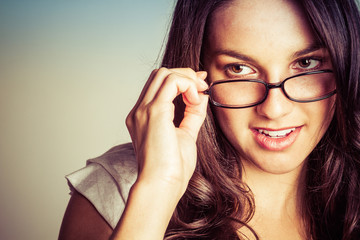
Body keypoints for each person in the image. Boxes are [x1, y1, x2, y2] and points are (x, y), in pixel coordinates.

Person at [58, 0, 360, 239]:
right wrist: (158, 187)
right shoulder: (120, 188)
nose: (275, 109)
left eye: (306, 64)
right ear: (196, 71)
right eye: (239, 69)